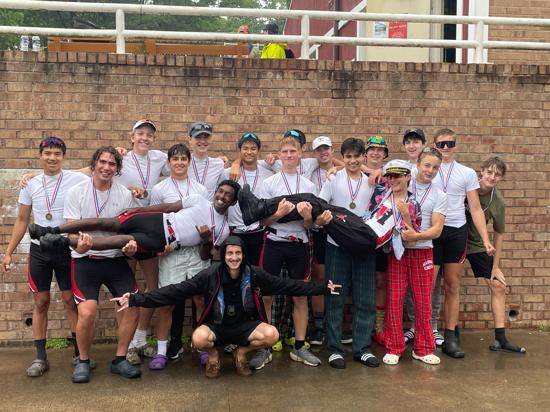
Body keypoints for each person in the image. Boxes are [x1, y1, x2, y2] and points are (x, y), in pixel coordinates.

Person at [111, 236, 342, 378]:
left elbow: (288, 285)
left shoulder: (254, 274)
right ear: (223, 256)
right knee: (198, 338)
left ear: (243, 255)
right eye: (230, 253)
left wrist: (322, 287)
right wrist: (135, 299)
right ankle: (213, 356)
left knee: (271, 335)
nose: (234, 257)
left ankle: (241, 354)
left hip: (244, 326)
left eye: (238, 253)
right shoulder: (210, 275)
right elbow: (176, 290)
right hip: (217, 326)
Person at [1, 137, 88, 377]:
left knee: (70, 300)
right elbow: (22, 220)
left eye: (57, 154)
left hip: (65, 248)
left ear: (63, 156)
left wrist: (121, 151)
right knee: (41, 302)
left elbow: (98, 167)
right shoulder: (31, 184)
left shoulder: (75, 178)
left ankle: (79, 354)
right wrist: (8, 253)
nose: (52, 158)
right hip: (39, 250)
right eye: (48, 153)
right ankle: (40, 358)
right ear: (40, 155)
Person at [64, 146, 141, 384]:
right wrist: (80, 246)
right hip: (84, 260)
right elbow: (71, 231)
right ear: (94, 163)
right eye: (103, 162)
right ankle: (83, 360)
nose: (106, 168)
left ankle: (120, 359)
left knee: (132, 304)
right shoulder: (76, 192)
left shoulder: (124, 195)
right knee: (87, 312)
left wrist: (129, 247)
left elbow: (127, 232)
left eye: (112, 164)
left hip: (114, 259)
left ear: (117, 169)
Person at [30, 181, 239, 258]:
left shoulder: (223, 230)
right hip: (157, 220)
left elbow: (205, 256)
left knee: (118, 241)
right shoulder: (199, 200)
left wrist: (206, 240)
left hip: (163, 240)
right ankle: (49, 230)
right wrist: (138, 209)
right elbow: (167, 207)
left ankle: (60, 241)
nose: (222, 196)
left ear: (233, 201)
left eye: (228, 195)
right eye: (220, 191)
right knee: (107, 223)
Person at [142, 143, 209, 369]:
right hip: (172, 253)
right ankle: (162, 351)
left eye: (183, 159)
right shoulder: (160, 189)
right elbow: (155, 221)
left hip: (196, 252)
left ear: (189, 161)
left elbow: (205, 219)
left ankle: (202, 346)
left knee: (200, 300)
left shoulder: (200, 189)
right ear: (169, 162)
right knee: (167, 303)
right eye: (175, 159)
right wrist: (161, 245)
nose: (179, 163)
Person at [432, 128, 495, 359]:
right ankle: (425, 333)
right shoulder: (428, 167)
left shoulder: (466, 173)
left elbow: (476, 209)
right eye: (441, 144)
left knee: (452, 285)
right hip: (433, 231)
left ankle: (450, 336)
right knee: (428, 286)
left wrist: (486, 240)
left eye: (450, 143)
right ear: (435, 146)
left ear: (456, 146)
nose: (445, 148)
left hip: (456, 232)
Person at [319, 138, 379, 369]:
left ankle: (362, 348)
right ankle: (334, 349)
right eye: (348, 157)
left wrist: (378, 171)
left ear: (363, 157)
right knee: (335, 296)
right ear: (342, 157)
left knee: (365, 298)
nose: (352, 161)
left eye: (356, 156)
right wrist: (321, 218)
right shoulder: (333, 179)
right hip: (337, 244)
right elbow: (320, 206)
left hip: (364, 246)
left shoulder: (372, 181)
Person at [383, 149, 446, 366]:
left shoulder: (440, 195)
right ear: (417, 165)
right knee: (395, 299)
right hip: (398, 250)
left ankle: (423, 348)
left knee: (423, 302)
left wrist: (416, 237)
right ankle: (394, 347)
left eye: (435, 167)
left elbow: (437, 229)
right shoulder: (402, 182)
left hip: (423, 251)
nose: (430, 170)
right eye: (427, 165)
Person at [465, 157, 525, 354]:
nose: (492, 177)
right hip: (454, 240)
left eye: (497, 174)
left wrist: (495, 266)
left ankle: (501, 338)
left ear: (501, 178)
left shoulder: (497, 201)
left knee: (498, 285)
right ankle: (450, 333)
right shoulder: (466, 186)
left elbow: (499, 235)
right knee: (450, 284)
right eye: (489, 172)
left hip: (476, 244)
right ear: (481, 171)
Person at [308, 136, 336, 346]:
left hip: (337, 230)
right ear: (314, 153)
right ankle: (318, 326)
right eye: (319, 150)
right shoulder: (309, 172)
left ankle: (334, 325)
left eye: (326, 149)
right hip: (316, 230)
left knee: (338, 276)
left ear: (332, 150)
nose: (323, 153)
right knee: (318, 276)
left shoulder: (341, 172)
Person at [187, 122, 226, 201]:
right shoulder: (182, 164)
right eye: (198, 137)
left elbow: (222, 190)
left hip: (209, 208)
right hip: (186, 208)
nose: (202, 141)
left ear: (211, 139)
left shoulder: (218, 164)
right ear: (190, 139)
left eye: (206, 137)